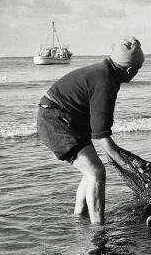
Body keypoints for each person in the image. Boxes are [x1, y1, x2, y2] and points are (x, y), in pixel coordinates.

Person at [37, 36, 145, 224]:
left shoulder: (106, 72)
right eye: (138, 69)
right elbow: (102, 137)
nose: (137, 73)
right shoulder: (106, 81)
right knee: (96, 172)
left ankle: (80, 216)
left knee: (91, 170)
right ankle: (98, 227)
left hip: (67, 119)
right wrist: (131, 168)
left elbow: (98, 128)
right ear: (129, 70)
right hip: (56, 121)